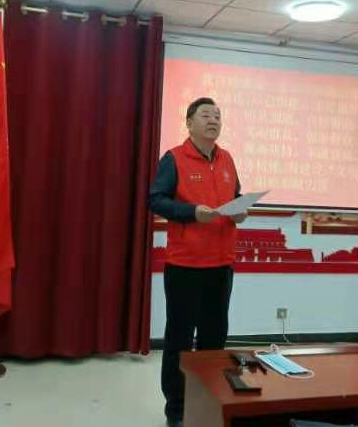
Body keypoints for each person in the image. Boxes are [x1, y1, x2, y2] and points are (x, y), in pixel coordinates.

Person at [148, 97, 247, 427]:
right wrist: (191, 213)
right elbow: (156, 200)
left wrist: (240, 210)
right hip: (185, 266)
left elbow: (235, 197)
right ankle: (176, 410)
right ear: (189, 123)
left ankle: (208, 404)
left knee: (213, 341)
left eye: (217, 116)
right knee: (179, 341)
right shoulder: (174, 158)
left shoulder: (227, 158)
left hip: (221, 265)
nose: (213, 120)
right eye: (206, 115)